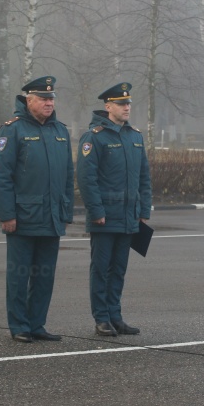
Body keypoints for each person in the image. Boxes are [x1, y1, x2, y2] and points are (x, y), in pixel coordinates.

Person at [0, 76, 74, 343]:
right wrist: (7, 214)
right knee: (19, 275)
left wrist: (66, 211)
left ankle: (37, 323)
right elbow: (1, 176)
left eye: (51, 98)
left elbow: (68, 175)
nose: (49, 103)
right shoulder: (12, 130)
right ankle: (19, 325)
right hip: (23, 217)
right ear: (29, 101)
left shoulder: (60, 130)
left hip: (51, 217)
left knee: (44, 276)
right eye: (43, 98)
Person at [77, 82, 152, 337]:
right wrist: (96, 211)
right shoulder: (95, 137)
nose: (127, 107)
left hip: (129, 216)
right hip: (105, 217)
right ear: (108, 106)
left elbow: (144, 177)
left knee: (119, 269)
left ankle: (115, 316)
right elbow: (87, 179)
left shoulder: (135, 136)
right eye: (121, 104)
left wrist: (144, 209)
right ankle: (101, 318)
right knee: (101, 269)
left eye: (129, 103)